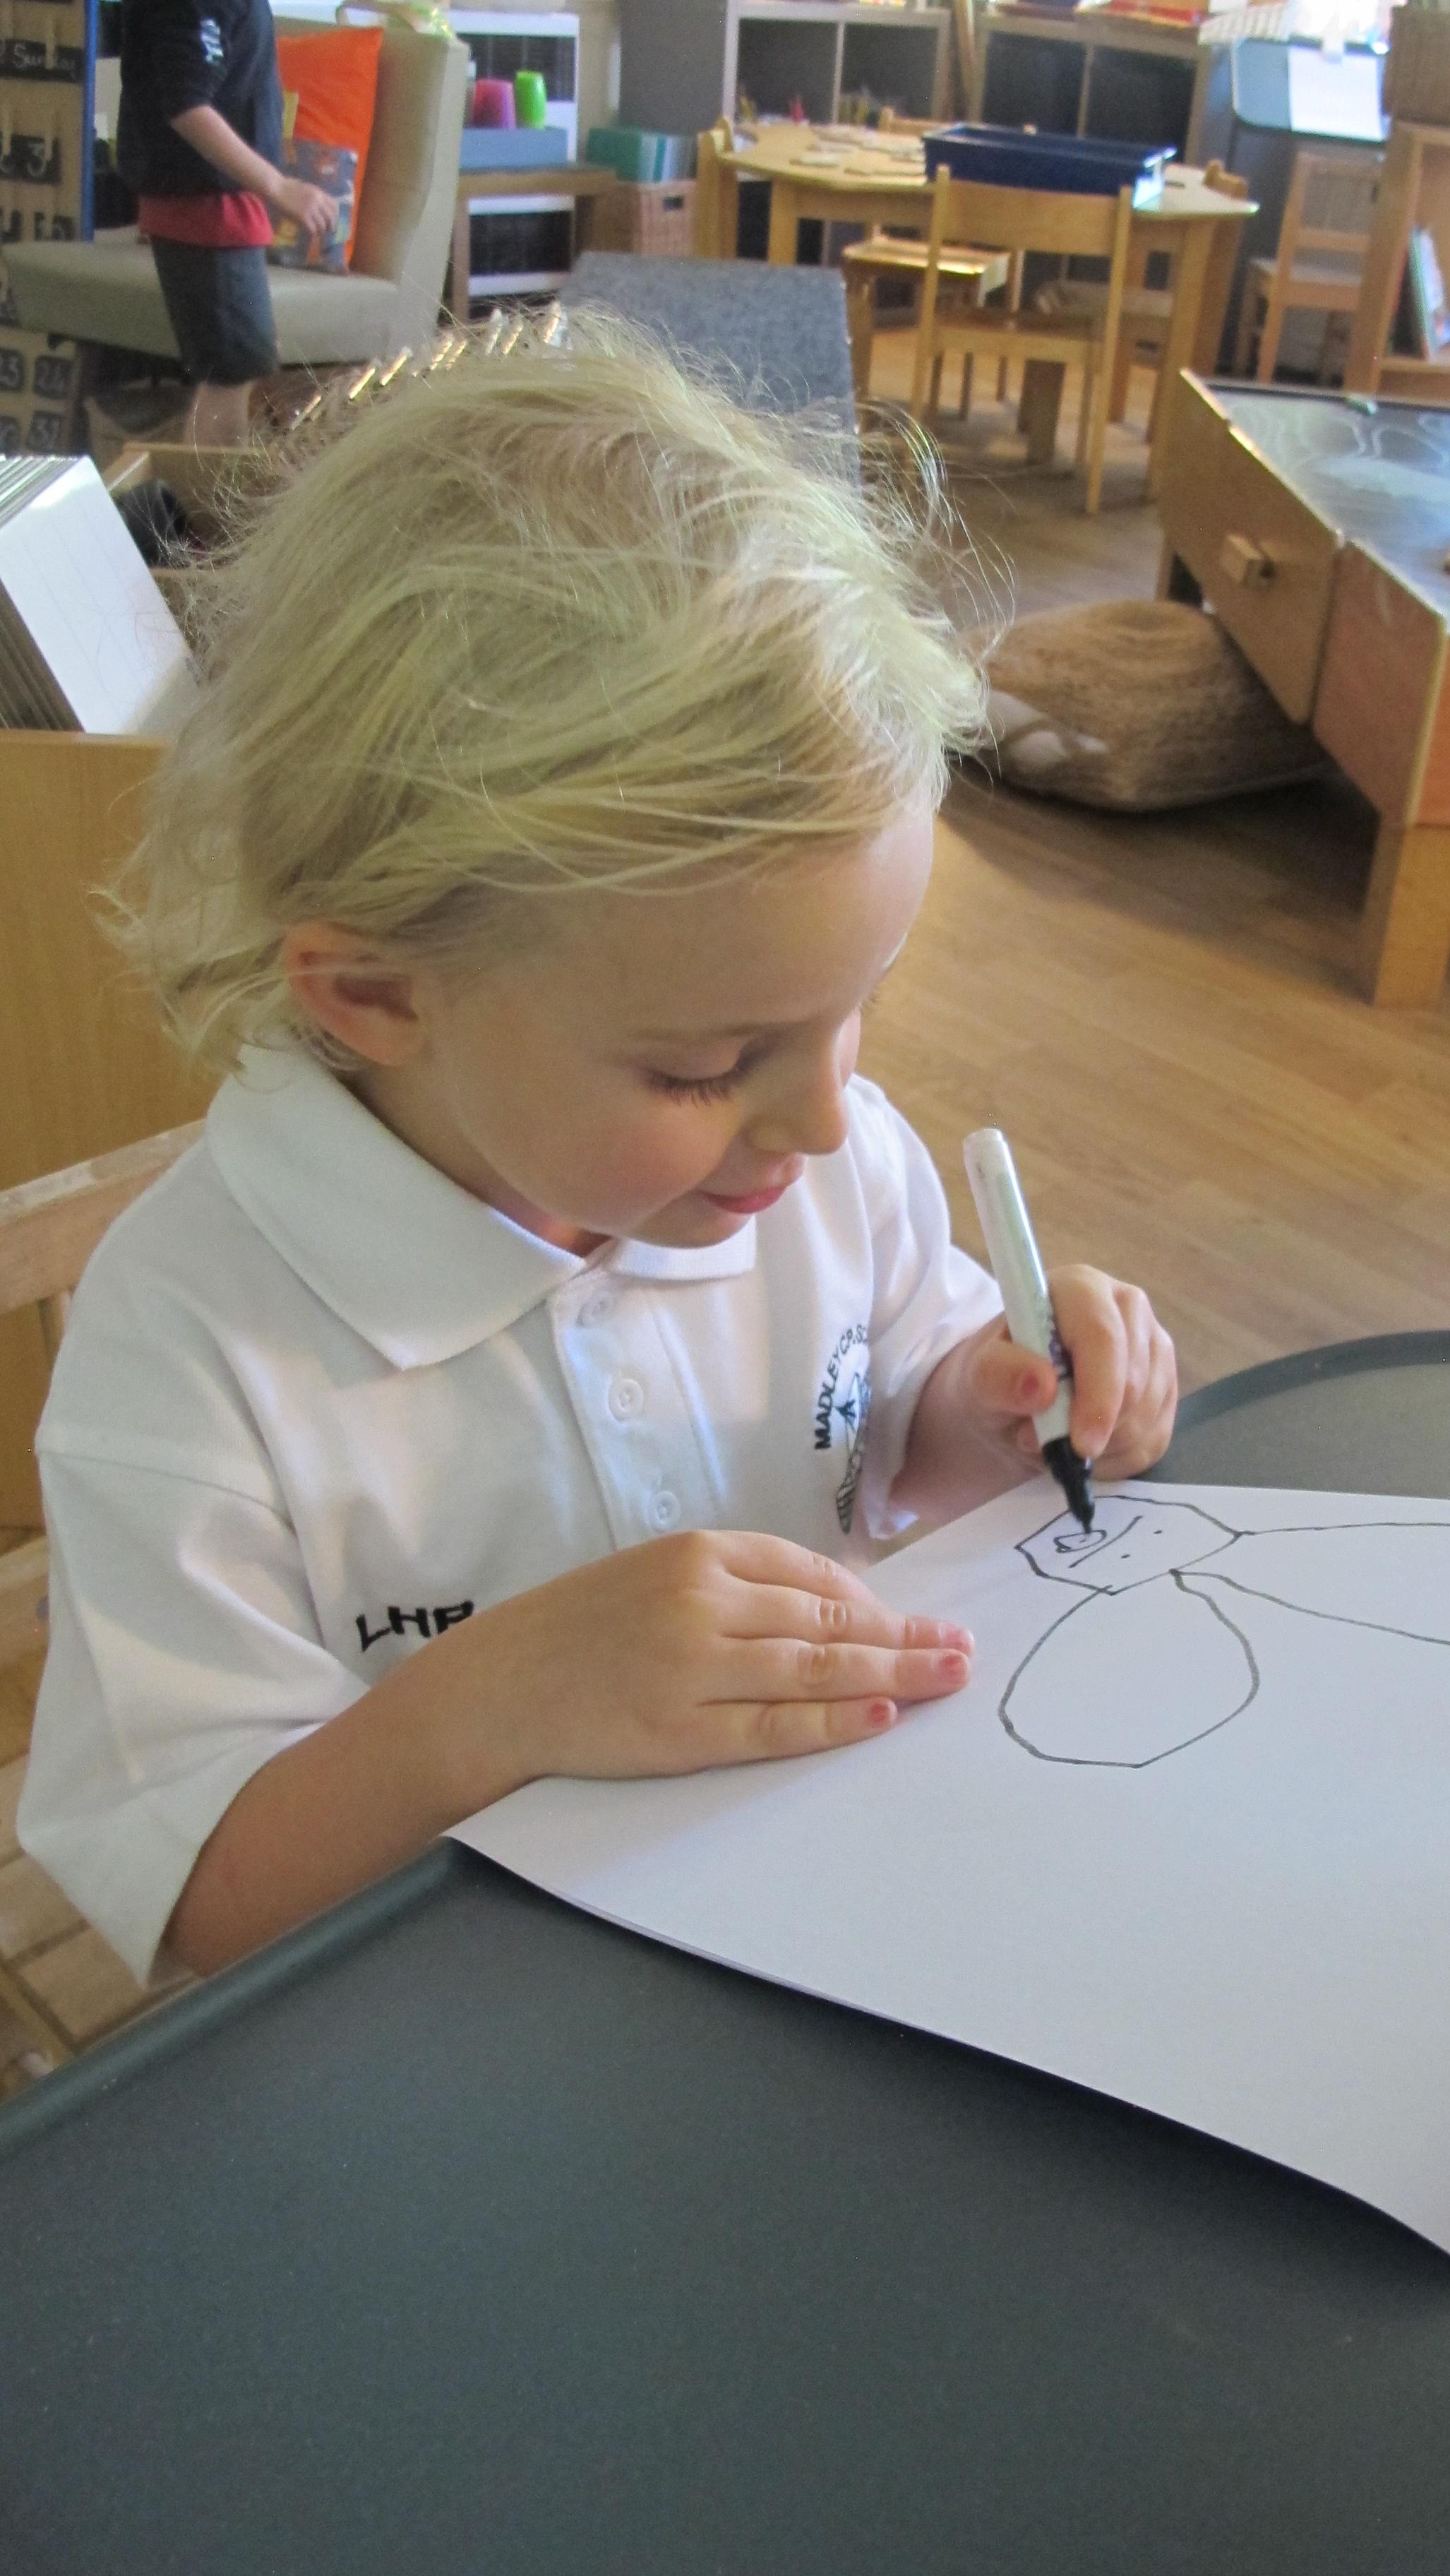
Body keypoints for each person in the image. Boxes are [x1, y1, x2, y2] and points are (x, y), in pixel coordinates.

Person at [19, 323, 1178, 1984]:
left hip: (832, 1939)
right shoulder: (193, 1350)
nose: (823, 1118)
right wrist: (493, 1703)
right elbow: (195, 1901)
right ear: (378, 994)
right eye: (704, 1066)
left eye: (858, 1010)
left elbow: (892, 1423)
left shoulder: (824, 1167)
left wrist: (987, 1406)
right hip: (470, 2038)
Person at [118, 0, 339, 448]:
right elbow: (188, 107)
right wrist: (279, 186)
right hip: (206, 207)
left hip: (222, 202)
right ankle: (208, 493)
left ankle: (210, 484)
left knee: (241, 361)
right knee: (232, 371)